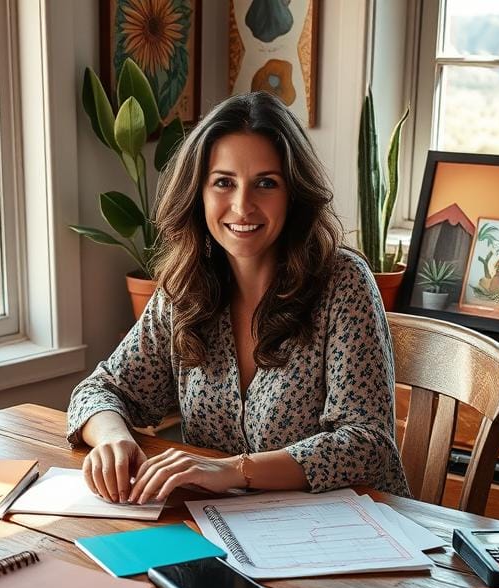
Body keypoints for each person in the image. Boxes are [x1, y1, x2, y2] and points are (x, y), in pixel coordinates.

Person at [67, 90, 408, 504]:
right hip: (222, 531)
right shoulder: (184, 289)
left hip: (348, 535)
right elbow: (101, 390)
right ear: (200, 193)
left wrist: (232, 470)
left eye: (266, 183)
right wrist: (112, 439)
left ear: (293, 194)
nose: (242, 206)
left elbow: (367, 446)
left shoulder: (343, 284)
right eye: (224, 183)